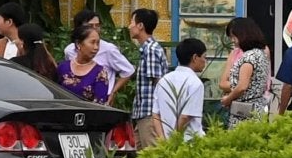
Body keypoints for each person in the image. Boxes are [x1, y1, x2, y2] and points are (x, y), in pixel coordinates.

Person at [127, 9, 171, 147]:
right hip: (144, 113)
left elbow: (158, 83)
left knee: (152, 156)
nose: (129, 26)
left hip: (150, 114)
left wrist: (157, 115)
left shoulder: (151, 50)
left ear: (140, 26)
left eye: (132, 22)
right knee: (141, 157)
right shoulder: (147, 49)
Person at [154, 38, 209, 141]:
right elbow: (185, 116)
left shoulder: (164, 80)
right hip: (189, 143)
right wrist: (174, 140)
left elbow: (156, 114)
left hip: (166, 143)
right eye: (204, 57)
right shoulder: (195, 83)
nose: (205, 61)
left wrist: (163, 141)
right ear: (195, 57)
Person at [222, 17, 276, 122]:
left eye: (234, 36)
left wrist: (228, 99)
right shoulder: (261, 53)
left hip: (244, 111)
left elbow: (242, 86)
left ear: (243, 34)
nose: (232, 41)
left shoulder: (249, 56)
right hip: (258, 108)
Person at [58, 21, 117, 103]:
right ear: (78, 44)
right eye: (92, 42)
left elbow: (100, 104)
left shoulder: (100, 72)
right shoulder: (63, 68)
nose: (96, 47)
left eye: (98, 43)